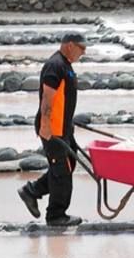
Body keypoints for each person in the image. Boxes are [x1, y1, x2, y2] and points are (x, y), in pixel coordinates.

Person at [18, 31, 87, 227]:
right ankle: (56, 216)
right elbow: (47, 98)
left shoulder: (66, 66)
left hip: (64, 127)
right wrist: (46, 125)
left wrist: (70, 123)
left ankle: (31, 191)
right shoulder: (55, 66)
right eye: (81, 49)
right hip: (53, 129)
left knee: (68, 166)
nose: (83, 53)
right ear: (70, 45)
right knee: (62, 172)